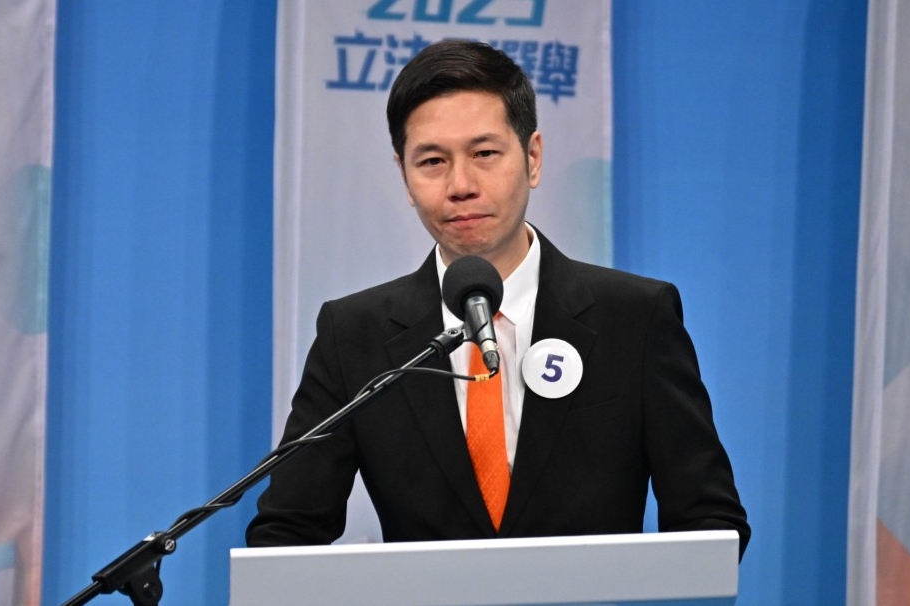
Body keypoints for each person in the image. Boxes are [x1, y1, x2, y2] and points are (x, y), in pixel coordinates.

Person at [246, 39, 750, 558]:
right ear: (405, 177)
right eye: (432, 161)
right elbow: (283, 537)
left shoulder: (635, 319)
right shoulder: (355, 335)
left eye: (484, 154)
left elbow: (710, 524)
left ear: (532, 158)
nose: (461, 185)